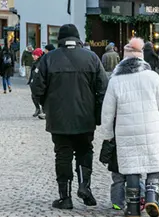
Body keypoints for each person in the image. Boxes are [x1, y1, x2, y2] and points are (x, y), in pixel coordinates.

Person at [31, 24, 108, 210]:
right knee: (84, 150)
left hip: (58, 118)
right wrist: (97, 114)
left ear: (60, 40)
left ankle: (65, 197)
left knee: (63, 154)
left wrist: (46, 105)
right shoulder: (92, 58)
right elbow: (103, 89)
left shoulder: (48, 59)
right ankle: (84, 185)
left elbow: (36, 88)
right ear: (78, 38)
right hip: (85, 116)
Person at [99, 37, 159, 217]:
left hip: (126, 131)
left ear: (124, 58)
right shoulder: (153, 77)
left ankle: (133, 207)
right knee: (153, 165)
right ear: (141, 58)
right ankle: (151, 197)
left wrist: (107, 134)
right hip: (152, 129)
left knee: (131, 167)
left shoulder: (116, 80)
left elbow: (107, 112)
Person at [27, 48, 45, 119]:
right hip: (34, 82)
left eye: (35, 55)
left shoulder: (41, 62)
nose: (33, 56)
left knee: (40, 97)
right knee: (33, 96)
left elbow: (37, 73)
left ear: (39, 55)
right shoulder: (35, 62)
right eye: (33, 55)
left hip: (39, 83)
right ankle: (38, 109)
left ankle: (43, 110)